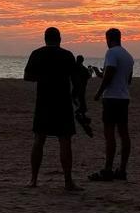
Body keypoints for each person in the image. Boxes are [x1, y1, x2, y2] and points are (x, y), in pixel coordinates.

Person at [24, 27, 81, 191]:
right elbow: (76, 80)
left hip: (43, 102)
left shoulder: (37, 53)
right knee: (65, 141)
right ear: (60, 39)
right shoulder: (67, 55)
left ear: (45, 38)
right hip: (63, 103)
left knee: (39, 140)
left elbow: (27, 76)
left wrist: (43, 78)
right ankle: (68, 181)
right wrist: (77, 98)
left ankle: (33, 179)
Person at [91, 27, 134, 182]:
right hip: (123, 98)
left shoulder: (111, 53)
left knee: (109, 134)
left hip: (111, 98)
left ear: (109, 38)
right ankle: (122, 169)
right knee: (124, 134)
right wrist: (101, 75)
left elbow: (109, 73)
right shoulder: (128, 56)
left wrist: (98, 92)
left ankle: (108, 169)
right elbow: (127, 80)